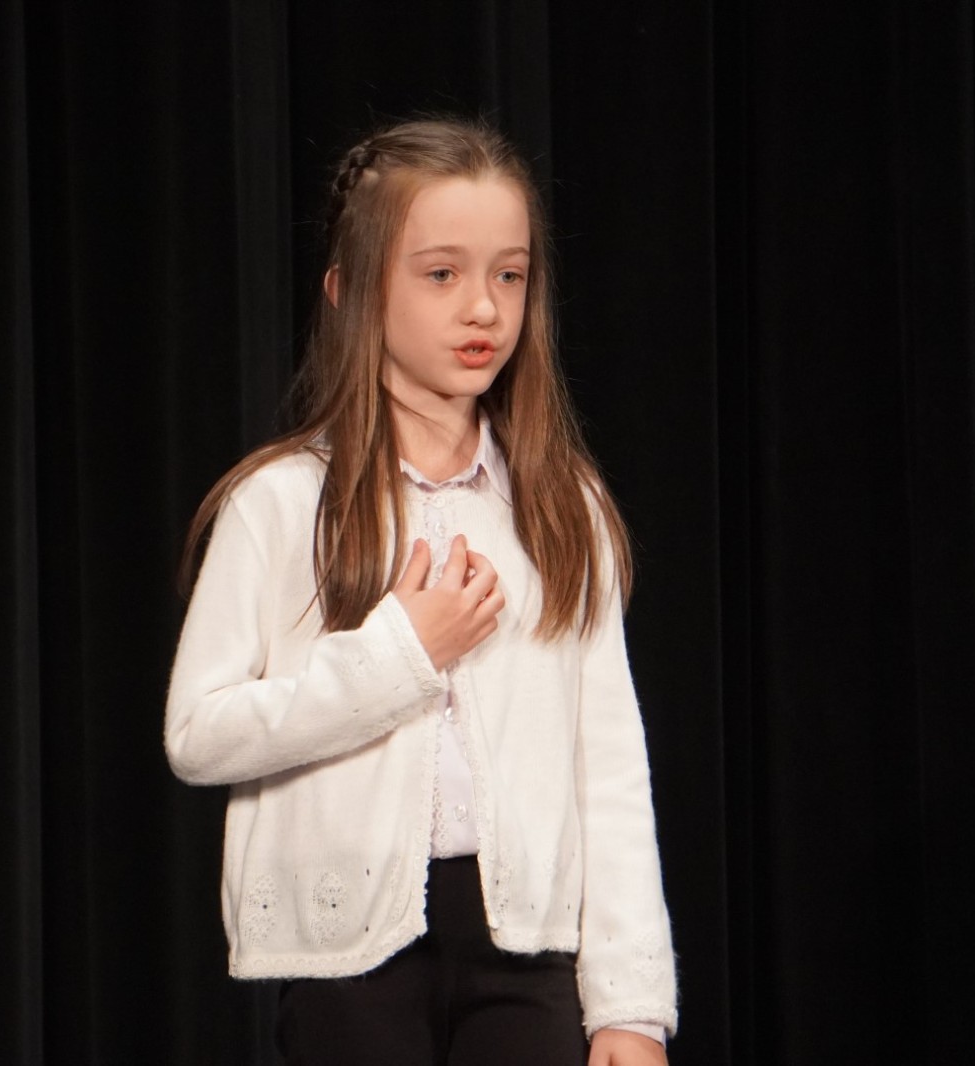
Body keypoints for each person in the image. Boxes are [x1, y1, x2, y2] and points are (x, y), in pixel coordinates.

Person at [165, 117, 677, 1065]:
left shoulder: (563, 506)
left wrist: (631, 1005)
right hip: (351, 963)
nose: (483, 307)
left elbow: (607, 765)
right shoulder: (281, 504)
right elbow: (199, 733)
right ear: (352, 290)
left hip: (530, 956)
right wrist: (398, 656)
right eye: (441, 274)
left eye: (509, 275)